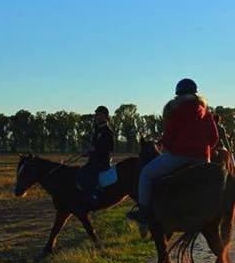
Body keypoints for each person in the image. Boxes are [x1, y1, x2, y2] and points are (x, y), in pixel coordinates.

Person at [126, 78, 219, 226]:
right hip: (203, 159)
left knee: (146, 174)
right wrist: (204, 151)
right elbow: (214, 138)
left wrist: (171, 150)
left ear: (178, 95)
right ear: (195, 94)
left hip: (179, 157)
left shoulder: (175, 113)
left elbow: (168, 141)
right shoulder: (206, 113)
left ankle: (143, 211)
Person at [77, 105, 115, 203]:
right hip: (94, 160)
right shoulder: (97, 130)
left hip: (102, 161)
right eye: (96, 115)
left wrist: (93, 150)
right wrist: (87, 152)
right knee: (81, 172)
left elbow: (108, 148)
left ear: (105, 116)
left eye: (99, 115)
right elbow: (94, 146)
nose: (96, 117)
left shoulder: (107, 131)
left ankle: (92, 194)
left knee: (86, 173)